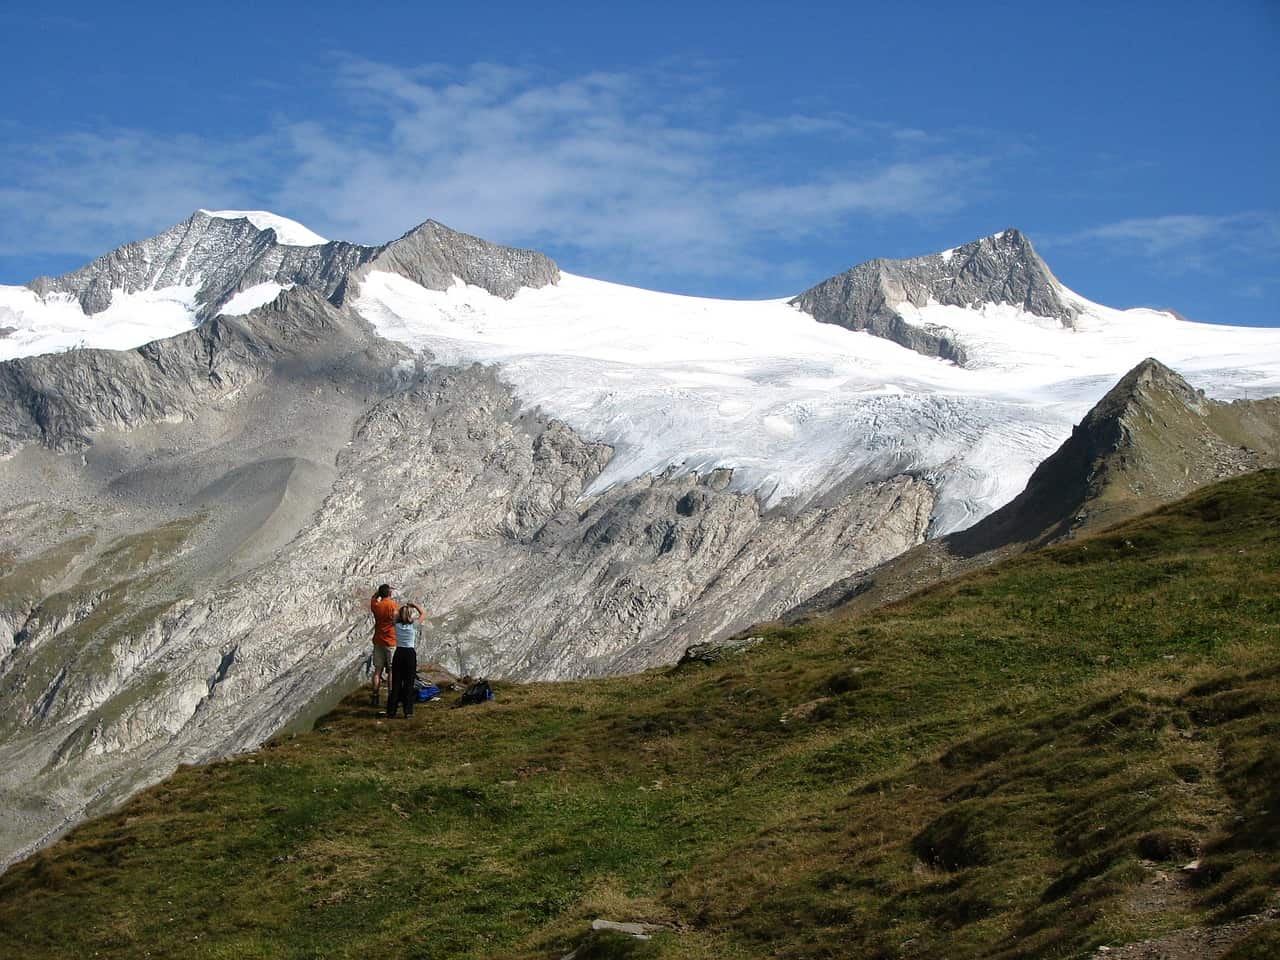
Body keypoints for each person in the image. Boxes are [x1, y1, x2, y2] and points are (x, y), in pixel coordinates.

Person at [387, 600, 425, 719]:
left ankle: (391, 711)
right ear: (409, 615)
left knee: (396, 682)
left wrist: (401, 609)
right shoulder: (413, 625)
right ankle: (408, 712)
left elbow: (394, 613)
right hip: (409, 654)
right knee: (409, 682)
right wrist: (414, 605)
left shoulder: (396, 625)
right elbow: (423, 613)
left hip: (399, 653)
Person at [369, 584, 398, 707]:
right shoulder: (393, 606)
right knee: (392, 670)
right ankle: (391, 696)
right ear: (390, 594)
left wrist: (378, 594)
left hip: (378, 640)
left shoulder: (376, 605)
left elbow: (373, 598)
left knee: (377, 670)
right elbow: (398, 619)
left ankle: (375, 695)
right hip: (390, 641)